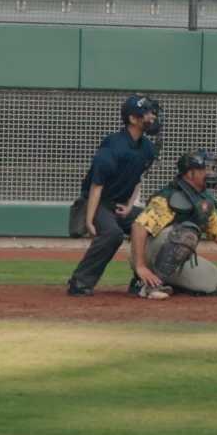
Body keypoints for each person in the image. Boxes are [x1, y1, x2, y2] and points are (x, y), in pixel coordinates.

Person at [128, 151, 217, 299]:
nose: (212, 173)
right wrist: (140, 266)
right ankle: (150, 285)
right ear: (191, 174)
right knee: (186, 233)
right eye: (207, 169)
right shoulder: (169, 197)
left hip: (175, 257)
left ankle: (167, 282)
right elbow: (138, 227)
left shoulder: (203, 199)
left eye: (213, 169)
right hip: (145, 253)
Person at [67, 95, 162, 296]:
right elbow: (96, 185)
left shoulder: (147, 147)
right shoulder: (113, 145)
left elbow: (138, 179)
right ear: (133, 119)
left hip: (120, 204)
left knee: (154, 225)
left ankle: (141, 281)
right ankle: (80, 281)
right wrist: (90, 220)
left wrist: (130, 205)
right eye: (146, 113)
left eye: (153, 112)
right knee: (112, 234)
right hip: (98, 202)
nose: (152, 117)